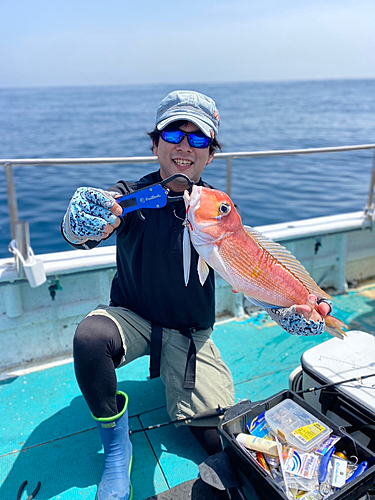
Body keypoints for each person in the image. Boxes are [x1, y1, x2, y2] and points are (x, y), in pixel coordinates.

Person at [62, 90, 331, 500]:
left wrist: (290, 312)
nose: (186, 146)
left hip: (189, 334)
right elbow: (83, 233)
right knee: (89, 339)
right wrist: (82, 221)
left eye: (200, 139)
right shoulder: (130, 196)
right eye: (173, 134)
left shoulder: (215, 208)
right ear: (155, 144)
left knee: (222, 437)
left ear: (210, 154)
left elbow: (249, 274)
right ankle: (117, 448)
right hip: (131, 318)